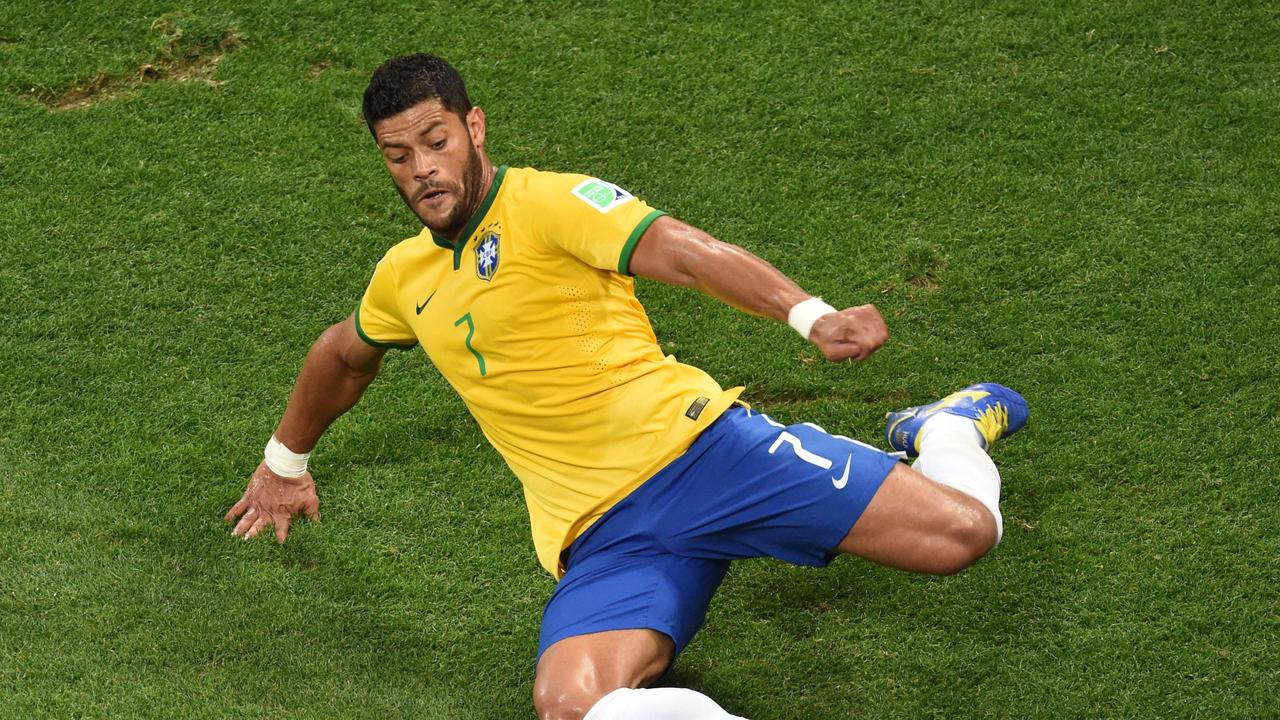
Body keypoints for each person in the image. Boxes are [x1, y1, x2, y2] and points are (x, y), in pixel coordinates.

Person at [224, 53, 1029, 720]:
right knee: (572, 704)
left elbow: (682, 249)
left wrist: (807, 315)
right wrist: (283, 465)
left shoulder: (549, 203)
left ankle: (944, 430)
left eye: (435, 141)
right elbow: (343, 355)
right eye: (399, 156)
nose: (422, 169)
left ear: (474, 128)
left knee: (962, 536)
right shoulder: (405, 278)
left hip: (705, 452)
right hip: (606, 535)